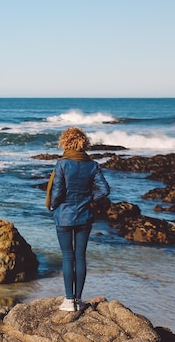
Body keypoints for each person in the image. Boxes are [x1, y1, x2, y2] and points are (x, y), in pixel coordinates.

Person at [45, 127, 110, 312]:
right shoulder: (92, 165)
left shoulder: (62, 164)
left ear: (65, 142)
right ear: (84, 143)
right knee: (80, 256)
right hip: (85, 216)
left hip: (64, 216)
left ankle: (68, 301)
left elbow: (57, 191)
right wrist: (90, 200)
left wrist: (53, 206)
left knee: (67, 256)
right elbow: (105, 190)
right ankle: (79, 300)